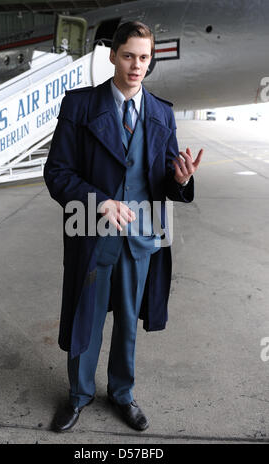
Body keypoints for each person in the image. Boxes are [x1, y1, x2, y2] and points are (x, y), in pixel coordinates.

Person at [44, 21, 203, 433]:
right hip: (92, 233)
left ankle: (122, 393)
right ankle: (78, 395)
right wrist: (99, 203)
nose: (136, 66)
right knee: (87, 318)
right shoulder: (80, 106)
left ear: (151, 61)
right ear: (113, 55)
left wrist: (181, 180)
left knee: (129, 322)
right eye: (128, 55)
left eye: (144, 58)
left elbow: (163, 180)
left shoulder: (161, 113)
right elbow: (57, 172)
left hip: (141, 238)